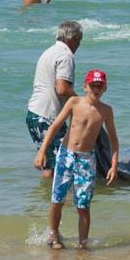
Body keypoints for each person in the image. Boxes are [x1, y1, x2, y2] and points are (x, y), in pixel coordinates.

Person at [33, 69, 119, 250]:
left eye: (100, 86)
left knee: (83, 204)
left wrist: (114, 164)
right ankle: (54, 234)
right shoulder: (74, 102)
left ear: (105, 88)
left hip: (87, 160)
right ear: (85, 86)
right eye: (92, 85)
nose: (96, 89)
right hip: (66, 155)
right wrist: (42, 151)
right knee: (58, 198)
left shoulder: (106, 111)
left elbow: (113, 138)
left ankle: (83, 243)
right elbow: (55, 125)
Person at [26, 21, 83, 179]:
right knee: (63, 165)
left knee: (49, 164)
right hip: (47, 115)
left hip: (34, 113)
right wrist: (82, 104)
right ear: (72, 38)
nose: (79, 44)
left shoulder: (50, 51)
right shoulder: (66, 55)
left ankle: (45, 198)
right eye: (79, 39)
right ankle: (59, 200)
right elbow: (62, 89)